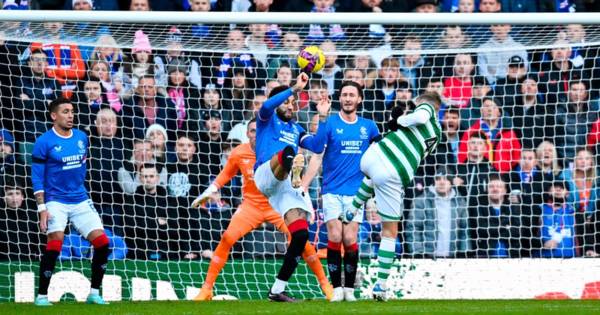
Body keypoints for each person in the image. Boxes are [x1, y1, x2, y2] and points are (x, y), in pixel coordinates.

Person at [191, 119, 333, 301]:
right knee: (227, 238)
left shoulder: (274, 149)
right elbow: (226, 174)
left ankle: (325, 286)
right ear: (247, 134)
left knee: (302, 242)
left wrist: (305, 204)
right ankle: (206, 289)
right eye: (252, 131)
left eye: (258, 131)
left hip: (277, 204)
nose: (256, 134)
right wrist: (212, 189)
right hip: (252, 205)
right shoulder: (239, 152)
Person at [347, 92, 443, 301]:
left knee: (374, 177)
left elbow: (419, 117)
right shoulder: (438, 135)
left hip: (373, 157)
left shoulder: (426, 108)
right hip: (394, 171)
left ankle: (352, 209)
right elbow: (417, 133)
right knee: (390, 231)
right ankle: (380, 287)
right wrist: (400, 122)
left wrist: (397, 120)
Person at [252, 72, 331, 302]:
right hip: (266, 174)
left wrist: (323, 117)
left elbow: (317, 146)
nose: (291, 105)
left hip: (285, 186)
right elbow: (267, 105)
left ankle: (277, 289)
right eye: (286, 102)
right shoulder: (266, 120)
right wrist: (294, 89)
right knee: (288, 152)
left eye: (293, 102)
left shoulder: (296, 129)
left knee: (300, 235)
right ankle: (292, 165)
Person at [301, 81, 380, 302]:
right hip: (332, 190)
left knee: (350, 237)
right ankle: (336, 288)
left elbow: (380, 153)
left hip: (356, 192)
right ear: (340, 98)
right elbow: (317, 151)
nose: (347, 98)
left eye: (351, 95)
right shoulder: (331, 122)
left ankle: (350, 290)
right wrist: (323, 117)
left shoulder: (369, 127)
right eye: (344, 94)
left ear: (359, 99)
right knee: (335, 236)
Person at [31, 98, 110, 306]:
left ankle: (94, 293)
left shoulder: (82, 137)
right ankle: (41, 296)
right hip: (55, 201)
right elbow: (37, 177)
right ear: (54, 116)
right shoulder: (44, 142)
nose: (70, 115)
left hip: (80, 199)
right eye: (65, 111)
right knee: (55, 243)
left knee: (103, 243)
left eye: (72, 111)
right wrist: (42, 208)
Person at [405, 167, 469, 258]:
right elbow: (413, 228)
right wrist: (417, 253)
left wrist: (464, 254)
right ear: (434, 182)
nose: (442, 182)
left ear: (451, 183)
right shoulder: (421, 201)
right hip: (427, 258)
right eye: (438, 179)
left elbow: (464, 231)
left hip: (452, 258)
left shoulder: (460, 202)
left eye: (446, 179)